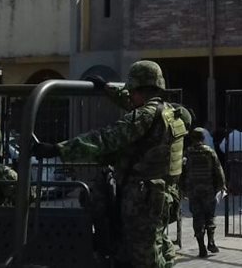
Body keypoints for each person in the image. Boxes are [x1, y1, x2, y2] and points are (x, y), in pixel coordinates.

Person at [35, 61, 189, 268]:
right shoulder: (170, 112)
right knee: (157, 247)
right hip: (162, 196)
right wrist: (108, 89)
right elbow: (135, 105)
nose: (130, 96)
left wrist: (58, 149)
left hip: (142, 201)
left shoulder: (144, 115)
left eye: (132, 91)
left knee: (144, 258)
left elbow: (106, 139)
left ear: (137, 89)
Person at [184, 127, 226, 257]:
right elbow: (218, 169)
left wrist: (182, 189)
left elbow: (182, 171)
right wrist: (222, 186)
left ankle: (201, 246)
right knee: (210, 216)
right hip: (208, 189)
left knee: (197, 217)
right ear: (203, 139)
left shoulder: (188, 153)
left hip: (194, 190)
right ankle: (211, 242)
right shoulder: (210, 152)